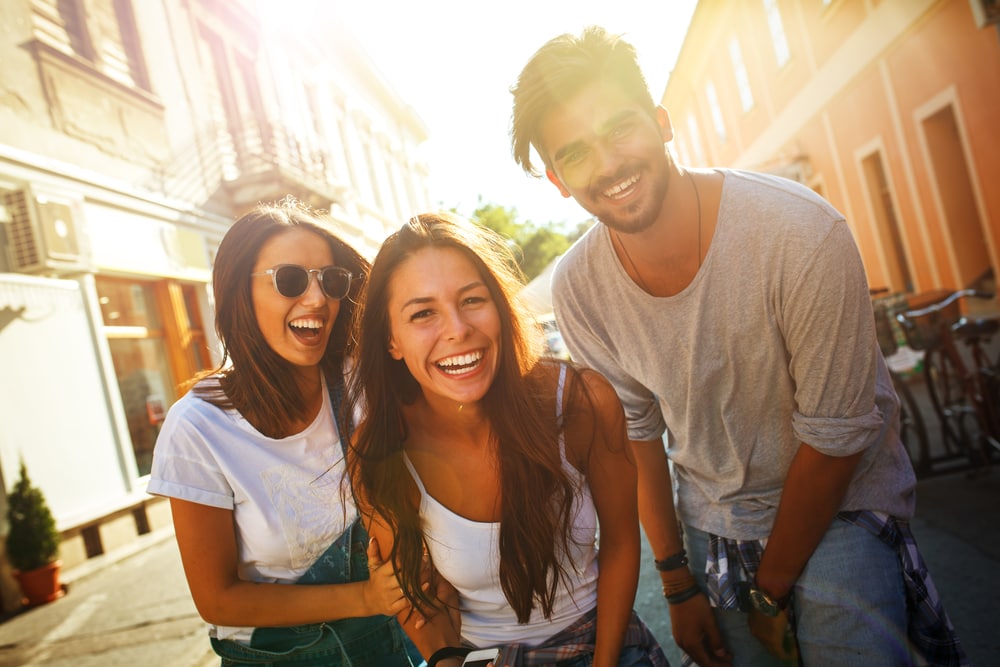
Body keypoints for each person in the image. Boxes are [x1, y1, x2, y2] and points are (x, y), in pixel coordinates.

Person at [509, 26, 967, 667]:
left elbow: (837, 437)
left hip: (841, 504)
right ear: (558, 178)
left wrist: (769, 594)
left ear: (663, 123)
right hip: (712, 523)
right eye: (578, 153)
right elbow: (637, 436)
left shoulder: (799, 232)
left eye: (620, 129)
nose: (609, 164)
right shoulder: (580, 286)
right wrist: (675, 581)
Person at [346, 212, 669, 667]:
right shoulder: (380, 450)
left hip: (606, 644)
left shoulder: (580, 400)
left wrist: (605, 662)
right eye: (423, 313)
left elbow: (619, 541)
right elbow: (416, 598)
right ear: (391, 340)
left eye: (472, 300)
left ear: (499, 306)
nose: (457, 328)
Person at [147, 199, 423, 666]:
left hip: (398, 649)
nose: (318, 299)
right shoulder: (198, 427)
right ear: (239, 293)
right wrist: (366, 598)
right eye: (290, 279)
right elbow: (218, 599)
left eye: (332, 281)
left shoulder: (360, 384)